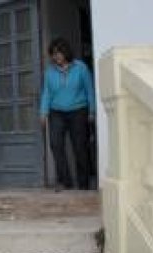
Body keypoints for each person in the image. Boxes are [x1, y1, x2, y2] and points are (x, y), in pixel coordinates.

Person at [40, 38, 95, 191]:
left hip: (79, 111)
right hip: (56, 112)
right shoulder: (49, 72)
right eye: (53, 54)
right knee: (56, 145)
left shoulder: (80, 68)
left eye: (59, 53)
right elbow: (46, 93)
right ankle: (65, 181)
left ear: (66, 52)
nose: (56, 56)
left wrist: (92, 110)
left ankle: (83, 183)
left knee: (80, 147)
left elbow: (89, 89)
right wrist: (43, 112)